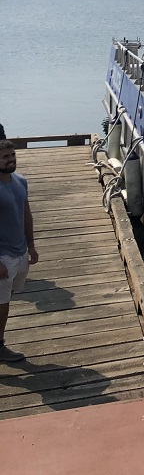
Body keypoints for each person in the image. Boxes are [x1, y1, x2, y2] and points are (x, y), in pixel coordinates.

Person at [0, 140, 38, 362]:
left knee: (7, 299)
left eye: (12, 155)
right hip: (3, 256)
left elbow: (26, 214)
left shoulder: (21, 181)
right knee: (2, 305)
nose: (10, 160)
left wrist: (31, 245)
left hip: (20, 252)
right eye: (4, 157)